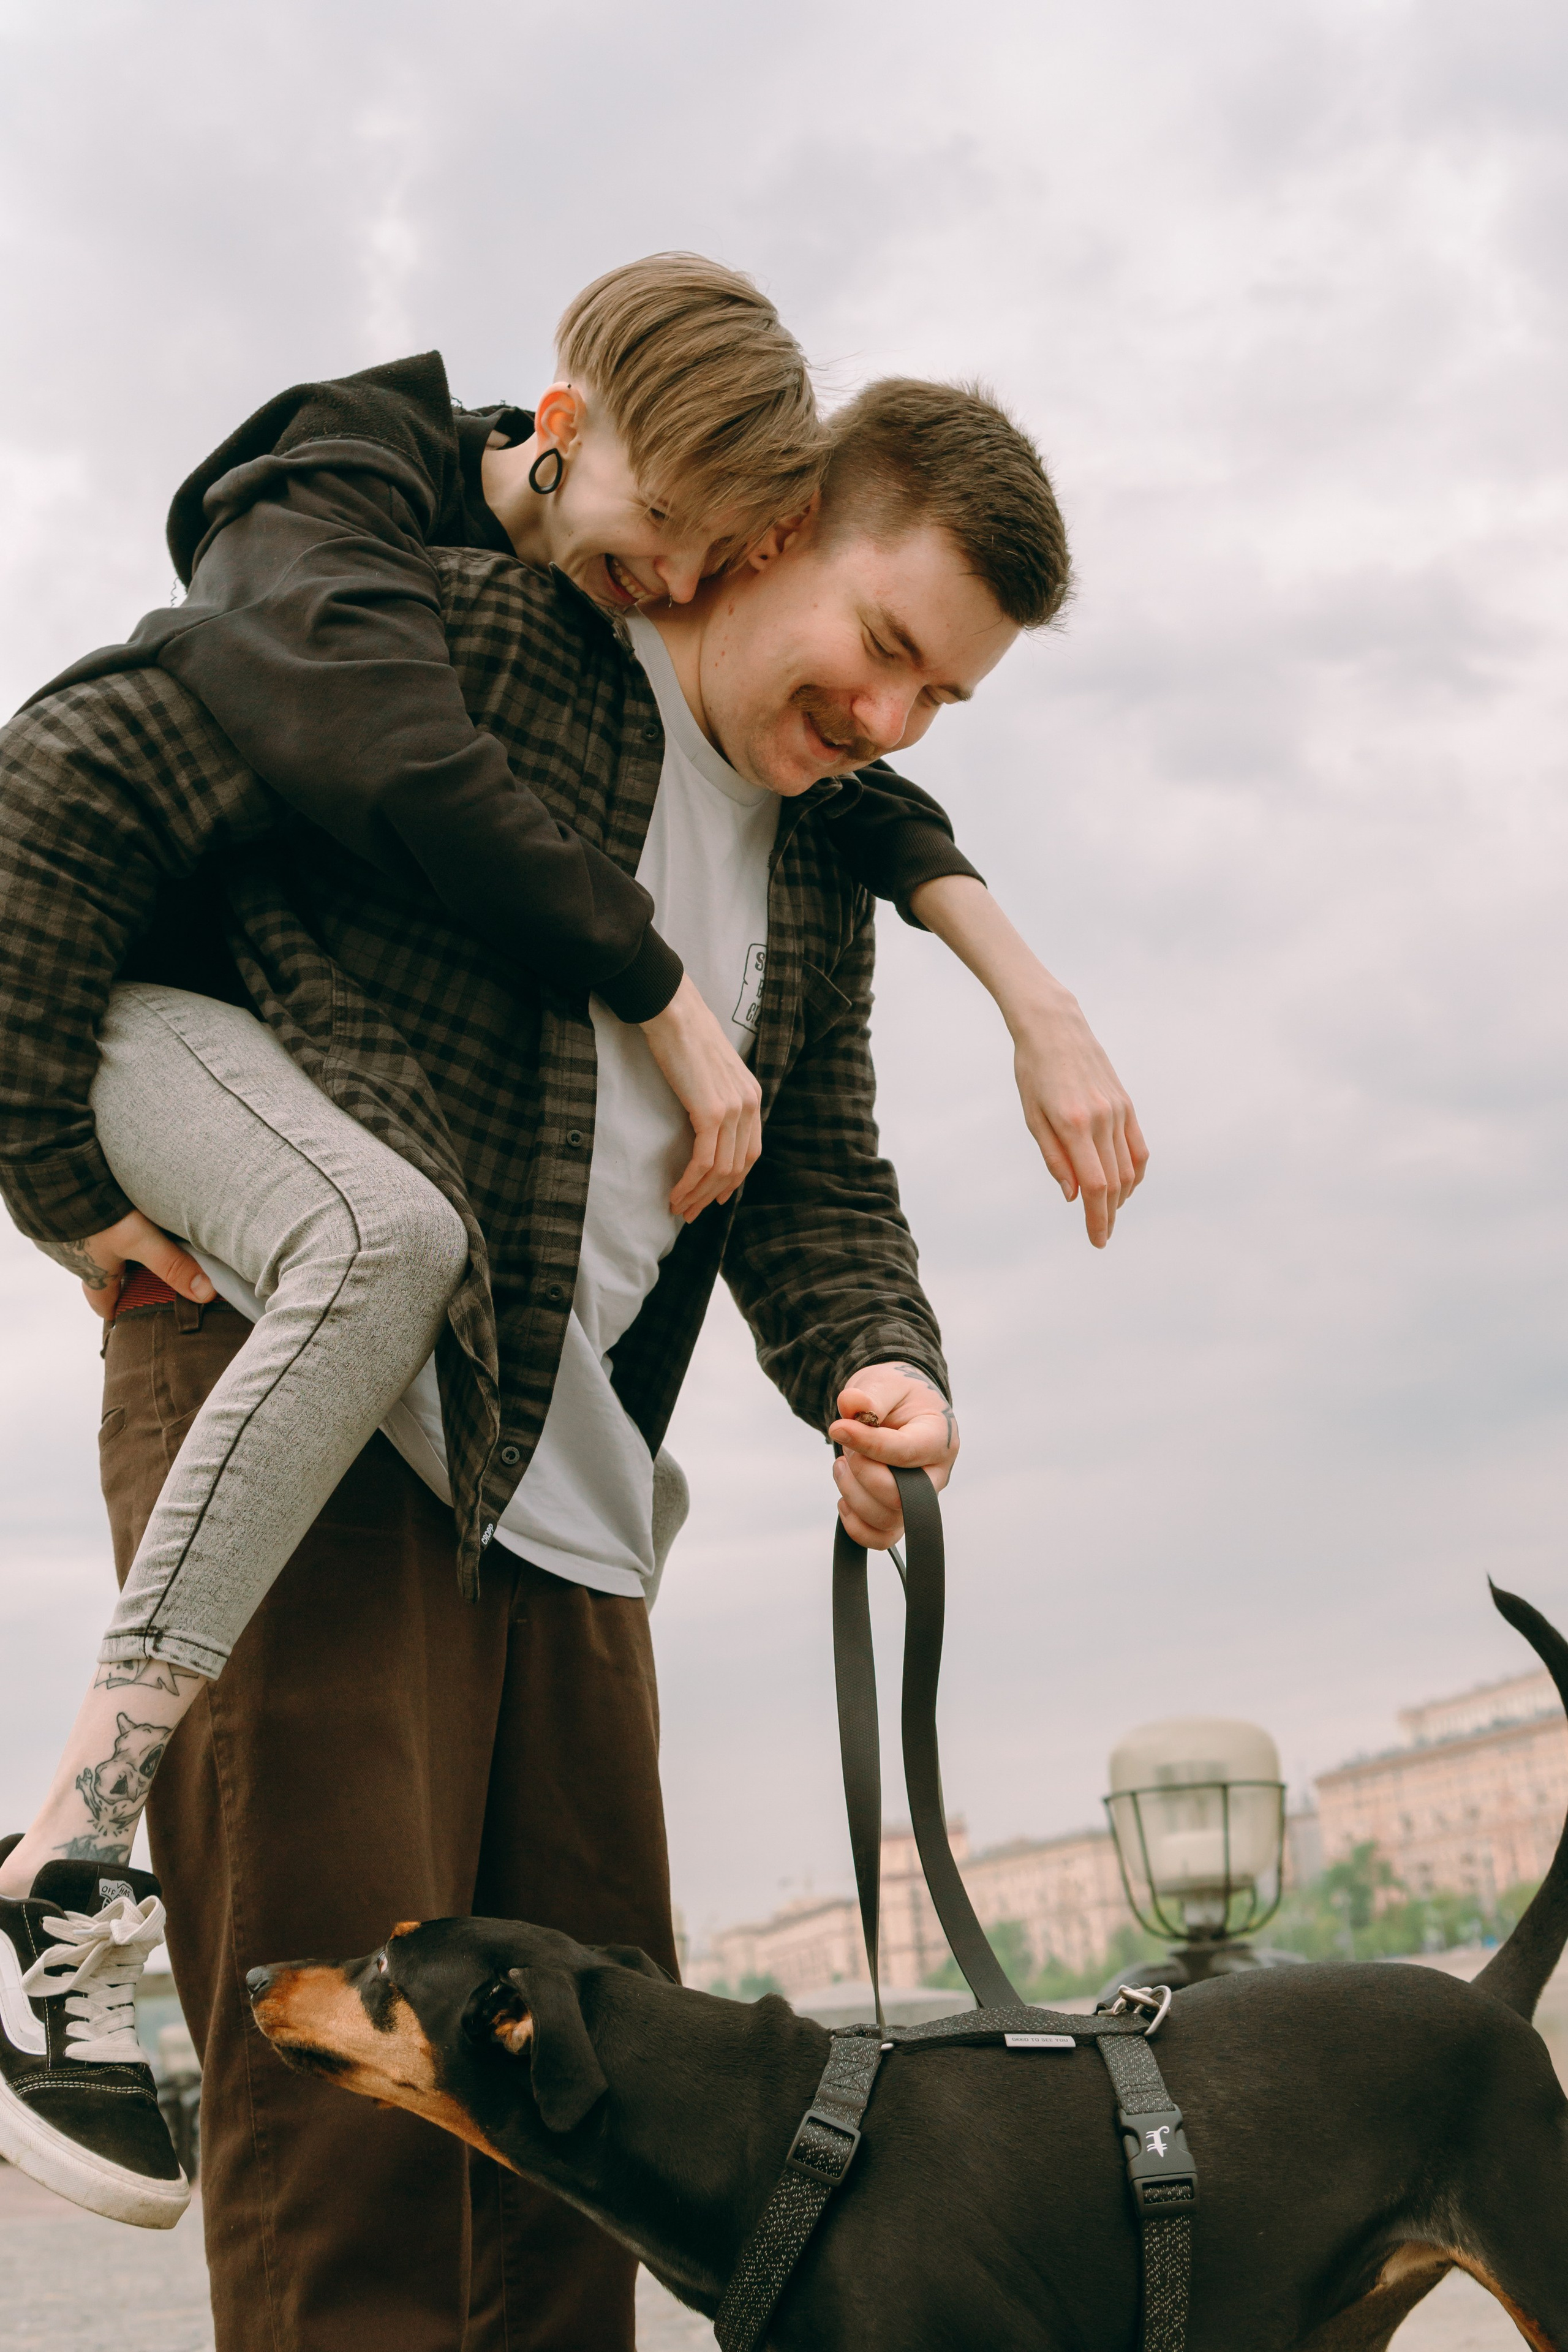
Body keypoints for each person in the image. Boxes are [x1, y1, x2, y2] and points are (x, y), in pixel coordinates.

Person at [1, 370, 1068, 2346]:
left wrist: (880, 1362)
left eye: (944, 698)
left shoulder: (818, 852)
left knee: (593, 2137)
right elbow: (73, 782)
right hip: (319, 1435)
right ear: (768, 536)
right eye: (885, 647)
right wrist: (53, 1168)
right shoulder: (467, 648)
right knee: (351, 2153)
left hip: (570, 1507)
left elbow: (816, 1173)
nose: (894, 719)